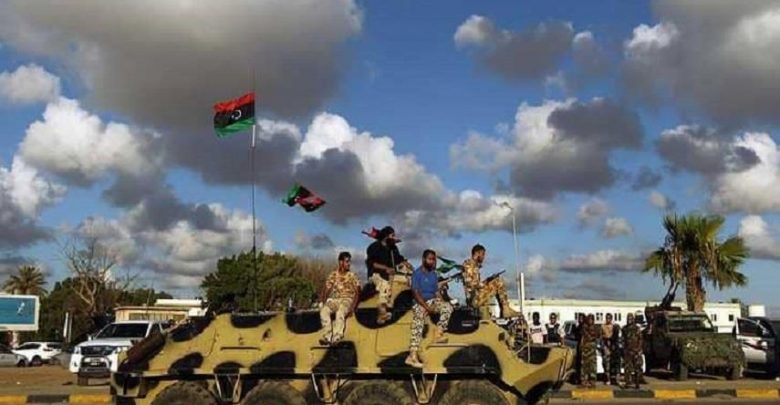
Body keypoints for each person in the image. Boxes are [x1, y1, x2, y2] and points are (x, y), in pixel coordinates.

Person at [405, 249, 453, 368]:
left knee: (448, 307)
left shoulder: (433, 274)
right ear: (423, 259)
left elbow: (436, 292)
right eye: (430, 259)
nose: (432, 262)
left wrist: (441, 303)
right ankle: (412, 356)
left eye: (433, 260)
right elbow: (416, 293)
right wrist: (426, 307)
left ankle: (438, 333)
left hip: (432, 301)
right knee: (418, 320)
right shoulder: (417, 274)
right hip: (420, 302)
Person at [365, 226, 410, 324]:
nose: (394, 237)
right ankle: (382, 312)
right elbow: (371, 263)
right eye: (392, 235)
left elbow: (399, 260)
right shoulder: (374, 247)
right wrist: (386, 268)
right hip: (376, 274)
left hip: (391, 274)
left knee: (408, 279)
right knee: (384, 285)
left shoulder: (393, 248)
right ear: (386, 236)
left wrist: (405, 264)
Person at [461, 244, 519, 318]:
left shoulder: (473, 265)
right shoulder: (469, 264)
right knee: (498, 281)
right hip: (474, 299)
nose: (483, 257)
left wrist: (488, 280)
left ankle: (504, 309)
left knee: (496, 280)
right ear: (477, 253)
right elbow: (472, 285)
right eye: (482, 254)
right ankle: (505, 309)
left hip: (475, 297)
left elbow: (475, 284)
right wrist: (486, 283)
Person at [319, 252, 361, 345]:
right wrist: (322, 302)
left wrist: (353, 308)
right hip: (336, 299)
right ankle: (327, 336)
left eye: (349, 261)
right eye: (347, 261)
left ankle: (337, 336)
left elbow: (358, 292)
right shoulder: (334, 274)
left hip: (347, 299)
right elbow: (327, 289)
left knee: (340, 311)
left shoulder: (352, 276)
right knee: (324, 311)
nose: (349, 264)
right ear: (341, 262)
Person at [623, 313, 644, 389]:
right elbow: (624, 340)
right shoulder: (624, 329)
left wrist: (639, 349)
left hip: (636, 350)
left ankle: (637, 383)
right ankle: (627, 383)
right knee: (627, 368)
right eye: (628, 319)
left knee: (637, 368)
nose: (629, 320)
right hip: (628, 351)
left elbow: (640, 339)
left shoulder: (636, 328)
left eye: (630, 319)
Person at [580, 314, 599, 388]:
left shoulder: (595, 328)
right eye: (589, 319)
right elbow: (582, 337)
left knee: (592, 365)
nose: (590, 321)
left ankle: (592, 380)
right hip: (585, 348)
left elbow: (597, 337)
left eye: (591, 319)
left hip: (592, 348)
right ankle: (584, 380)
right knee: (584, 365)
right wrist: (581, 346)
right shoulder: (584, 327)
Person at [601, 313, 616, 385]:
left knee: (612, 363)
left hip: (612, 345)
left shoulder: (614, 326)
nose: (608, 319)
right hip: (605, 346)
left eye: (609, 318)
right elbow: (601, 336)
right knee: (606, 363)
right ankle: (607, 378)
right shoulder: (603, 326)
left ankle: (613, 378)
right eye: (607, 318)